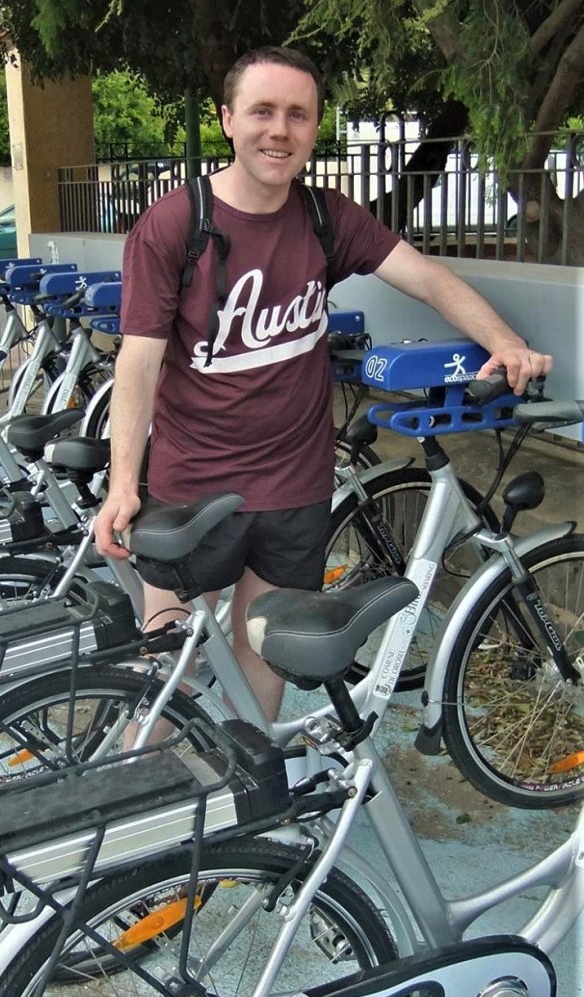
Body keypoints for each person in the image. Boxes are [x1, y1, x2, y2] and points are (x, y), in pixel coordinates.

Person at [94, 45, 553, 721]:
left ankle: (241, 806)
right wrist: (123, 483)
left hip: (294, 485)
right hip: (193, 483)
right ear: (227, 120)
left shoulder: (327, 216)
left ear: (312, 128)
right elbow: (137, 361)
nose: (278, 129)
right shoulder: (174, 224)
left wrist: (504, 342)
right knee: (169, 666)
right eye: (261, 111)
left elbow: (424, 277)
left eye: (296, 115)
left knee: (263, 651)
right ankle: (147, 806)